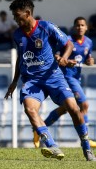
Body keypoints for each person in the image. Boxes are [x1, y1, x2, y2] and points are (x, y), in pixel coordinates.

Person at [4, 0, 96, 161]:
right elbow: (20, 57)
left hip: (53, 76)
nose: (16, 20)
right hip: (32, 81)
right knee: (30, 109)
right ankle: (52, 145)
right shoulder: (17, 34)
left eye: (18, 16)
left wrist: (64, 58)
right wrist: (14, 81)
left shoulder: (46, 27)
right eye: (14, 16)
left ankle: (86, 146)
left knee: (74, 109)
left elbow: (69, 44)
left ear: (28, 13)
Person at [32, 17, 96, 148]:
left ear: (87, 27)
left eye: (82, 25)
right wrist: (63, 59)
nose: (80, 27)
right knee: (84, 105)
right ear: (74, 27)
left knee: (64, 109)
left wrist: (90, 61)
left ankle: (38, 130)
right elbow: (56, 56)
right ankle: (86, 138)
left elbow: (87, 58)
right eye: (77, 25)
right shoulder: (67, 40)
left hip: (76, 78)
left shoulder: (88, 42)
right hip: (66, 77)